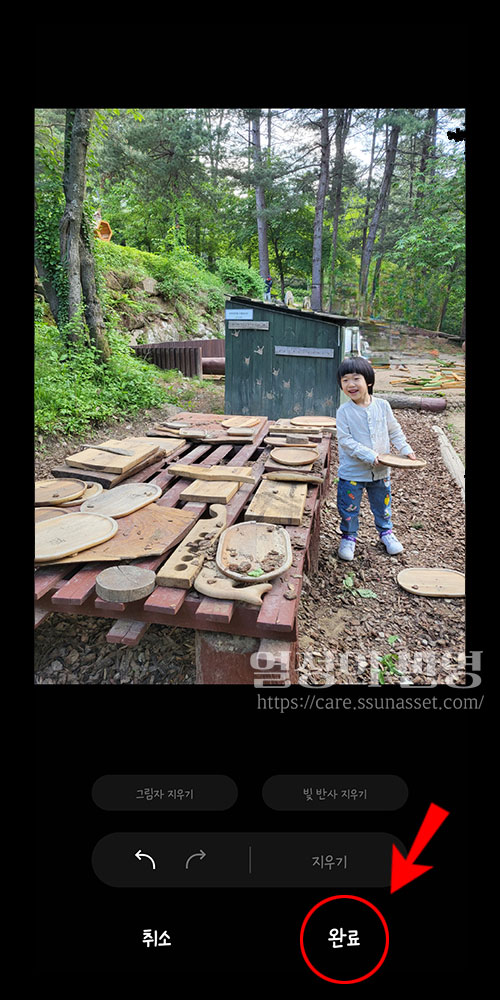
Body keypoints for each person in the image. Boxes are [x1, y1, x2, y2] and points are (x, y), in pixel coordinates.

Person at [335, 357, 418, 561]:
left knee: (382, 505)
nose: (351, 384)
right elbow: (346, 441)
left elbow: (394, 430)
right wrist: (372, 456)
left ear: (369, 381)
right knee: (348, 507)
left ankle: (386, 533)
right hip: (352, 472)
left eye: (356, 378)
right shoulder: (344, 412)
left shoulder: (382, 406)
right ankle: (349, 537)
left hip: (381, 471)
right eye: (345, 380)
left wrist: (405, 449)